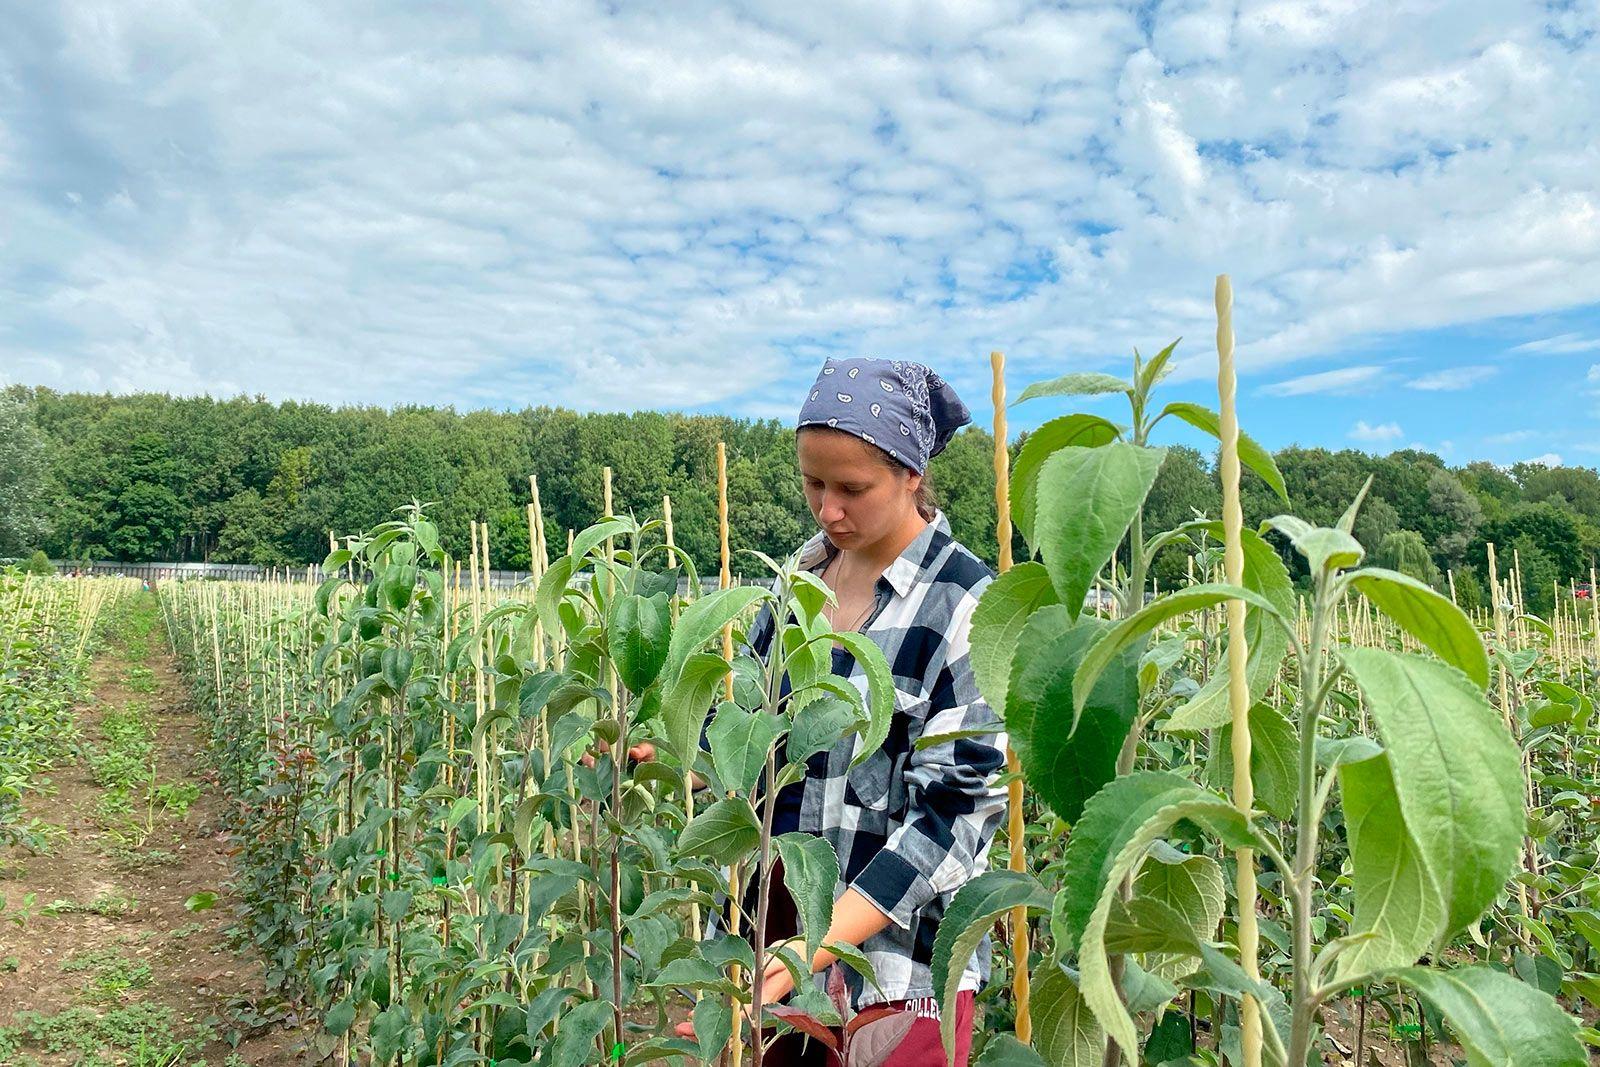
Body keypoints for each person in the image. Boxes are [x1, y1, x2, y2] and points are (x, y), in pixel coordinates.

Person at [658, 357, 1008, 1066]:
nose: (828, 509)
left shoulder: (966, 605)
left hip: (897, 970)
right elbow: (755, 733)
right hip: (778, 939)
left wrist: (820, 939)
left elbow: (951, 820)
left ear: (912, 473)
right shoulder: (802, 581)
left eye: (852, 488)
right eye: (813, 483)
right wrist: (678, 757)